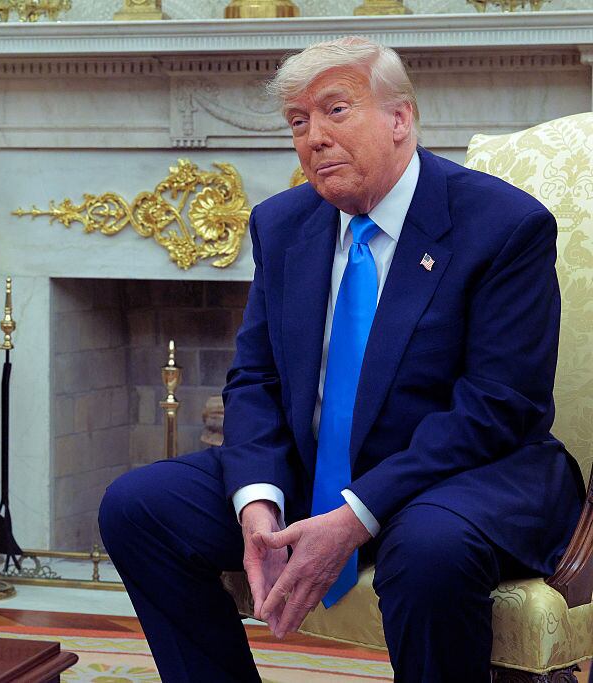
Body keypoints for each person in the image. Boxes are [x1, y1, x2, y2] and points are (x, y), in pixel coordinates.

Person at [99, 37, 584, 682]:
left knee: (429, 552)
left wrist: (355, 514)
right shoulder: (283, 223)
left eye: (335, 110)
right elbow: (256, 378)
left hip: (464, 475)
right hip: (319, 466)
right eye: (298, 121)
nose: (315, 137)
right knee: (138, 506)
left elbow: (497, 408)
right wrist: (257, 502)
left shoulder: (503, 224)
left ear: (400, 118)